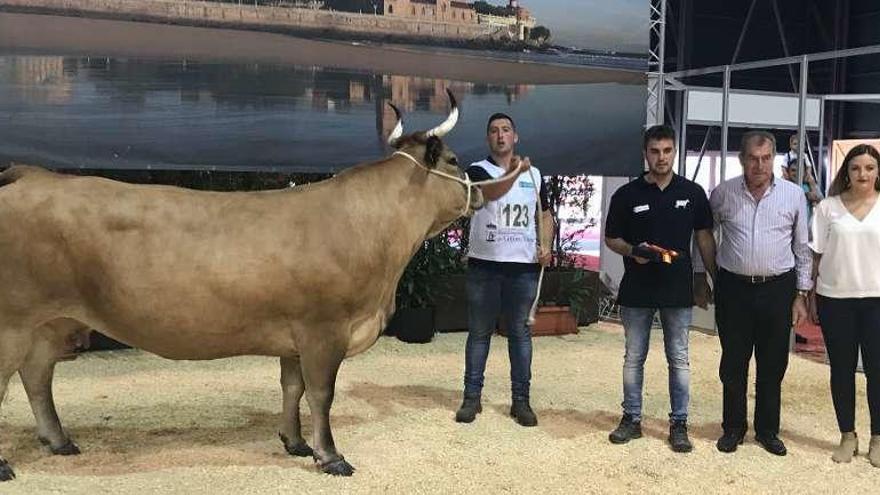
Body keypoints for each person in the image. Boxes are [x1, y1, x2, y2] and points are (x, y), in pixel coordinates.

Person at [604, 124, 716, 453]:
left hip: (677, 289)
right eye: (655, 151)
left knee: (678, 359)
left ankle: (679, 424)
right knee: (633, 358)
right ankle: (631, 420)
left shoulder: (693, 192)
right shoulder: (626, 195)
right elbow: (612, 238)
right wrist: (632, 251)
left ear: (675, 151)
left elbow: (704, 237)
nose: (661, 157)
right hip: (637, 288)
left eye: (667, 150)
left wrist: (713, 277)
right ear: (645, 153)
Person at [711, 130, 812, 456]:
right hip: (734, 289)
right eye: (752, 159)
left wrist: (801, 293)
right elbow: (705, 237)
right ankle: (733, 428)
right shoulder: (723, 193)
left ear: (774, 158)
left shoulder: (793, 195)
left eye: (765, 158)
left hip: (778, 289)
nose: (759, 165)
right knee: (733, 362)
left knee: (772, 363)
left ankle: (768, 430)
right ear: (742, 159)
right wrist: (705, 276)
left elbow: (803, 248)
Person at [454, 113, 552, 427]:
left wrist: (546, 245)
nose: (501, 135)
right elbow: (490, 194)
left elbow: (545, 214)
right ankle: (471, 398)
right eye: (494, 131)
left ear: (515, 137)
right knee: (479, 333)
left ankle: (520, 401)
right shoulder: (477, 171)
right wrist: (514, 171)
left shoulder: (534, 174)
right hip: (484, 264)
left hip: (523, 266)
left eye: (506, 130)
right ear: (488, 139)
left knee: (520, 335)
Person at [808, 144, 880, 466]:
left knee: (878, 371)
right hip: (835, 299)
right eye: (856, 168)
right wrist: (808, 294)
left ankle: (878, 437)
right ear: (846, 172)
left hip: (877, 300)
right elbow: (816, 254)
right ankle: (848, 435)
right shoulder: (827, 208)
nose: (862, 173)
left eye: (869, 167)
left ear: (878, 171)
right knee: (841, 370)